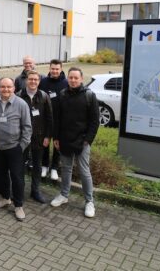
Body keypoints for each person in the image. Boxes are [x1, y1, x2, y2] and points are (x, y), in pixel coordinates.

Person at [50, 67, 100, 218]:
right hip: (64, 139)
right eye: (70, 77)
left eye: (75, 78)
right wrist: (56, 137)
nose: (72, 80)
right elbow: (57, 118)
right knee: (66, 168)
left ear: (81, 79)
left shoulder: (89, 96)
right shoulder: (63, 94)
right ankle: (64, 195)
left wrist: (88, 140)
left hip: (83, 141)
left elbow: (94, 121)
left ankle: (89, 201)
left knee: (84, 171)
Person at [0, 77, 32, 221]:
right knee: (1, 174)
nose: (5, 89)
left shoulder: (21, 104)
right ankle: (5, 198)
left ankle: (18, 205)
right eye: (3, 87)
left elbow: (27, 128)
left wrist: (21, 146)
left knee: (17, 177)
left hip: (14, 148)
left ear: (14, 88)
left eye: (9, 87)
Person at [17, 71, 53, 203]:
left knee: (37, 165)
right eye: (30, 79)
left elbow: (50, 119)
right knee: (20, 165)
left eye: (35, 80)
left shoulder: (44, 96)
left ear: (39, 81)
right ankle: (19, 190)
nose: (33, 82)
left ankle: (35, 191)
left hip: (39, 137)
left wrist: (48, 136)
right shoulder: (19, 95)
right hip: (22, 138)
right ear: (26, 80)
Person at [39, 59, 68, 180]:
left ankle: (54, 168)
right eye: (53, 69)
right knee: (45, 143)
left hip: (60, 119)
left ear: (61, 69)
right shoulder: (43, 82)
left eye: (57, 69)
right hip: (45, 118)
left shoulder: (66, 83)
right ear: (49, 69)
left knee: (57, 145)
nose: (55, 71)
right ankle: (45, 166)